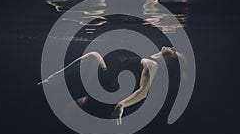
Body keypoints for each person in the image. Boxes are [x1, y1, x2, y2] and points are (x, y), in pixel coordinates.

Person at [39, 46, 182, 125]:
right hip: (110, 88)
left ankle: (55, 78)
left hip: (111, 88)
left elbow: (143, 91)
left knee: (93, 56)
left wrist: (121, 105)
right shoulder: (150, 62)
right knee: (79, 106)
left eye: (172, 51)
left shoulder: (153, 64)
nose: (168, 47)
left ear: (167, 59)